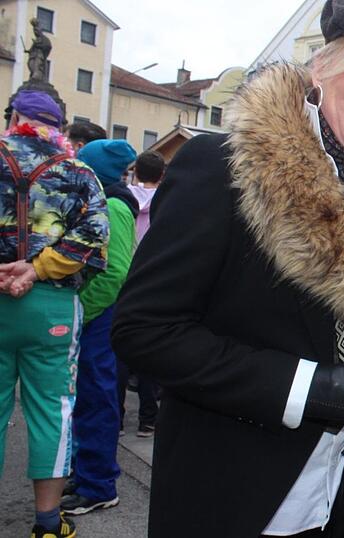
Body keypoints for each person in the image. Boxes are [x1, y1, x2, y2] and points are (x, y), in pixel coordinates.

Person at [109, 0, 344, 535]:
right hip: (235, 497)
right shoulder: (224, 168)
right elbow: (145, 331)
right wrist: (304, 387)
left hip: (343, 497)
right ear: (321, 68)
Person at [0, 90, 109, 538]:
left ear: (14, 118)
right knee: (53, 410)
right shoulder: (78, 171)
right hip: (52, 305)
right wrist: (38, 267)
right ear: (58, 126)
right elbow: (95, 236)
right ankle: (47, 522)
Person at [59, 140, 139, 516]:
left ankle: (98, 485)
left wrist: (81, 311)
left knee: (96, 399)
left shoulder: (115, 205)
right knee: (86, 398)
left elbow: (115, 272)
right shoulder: (105, 200)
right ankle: (86, 474)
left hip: (100, 315)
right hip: (97, 314)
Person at [116, 150, 166, 439]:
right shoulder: (168, 199)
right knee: (150, 349)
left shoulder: (122, 198)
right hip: (154, 277)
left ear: (135, 172)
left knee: (121, 352)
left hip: (125, 274)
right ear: (161, 175)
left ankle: (118, 418)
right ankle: (149, 419)